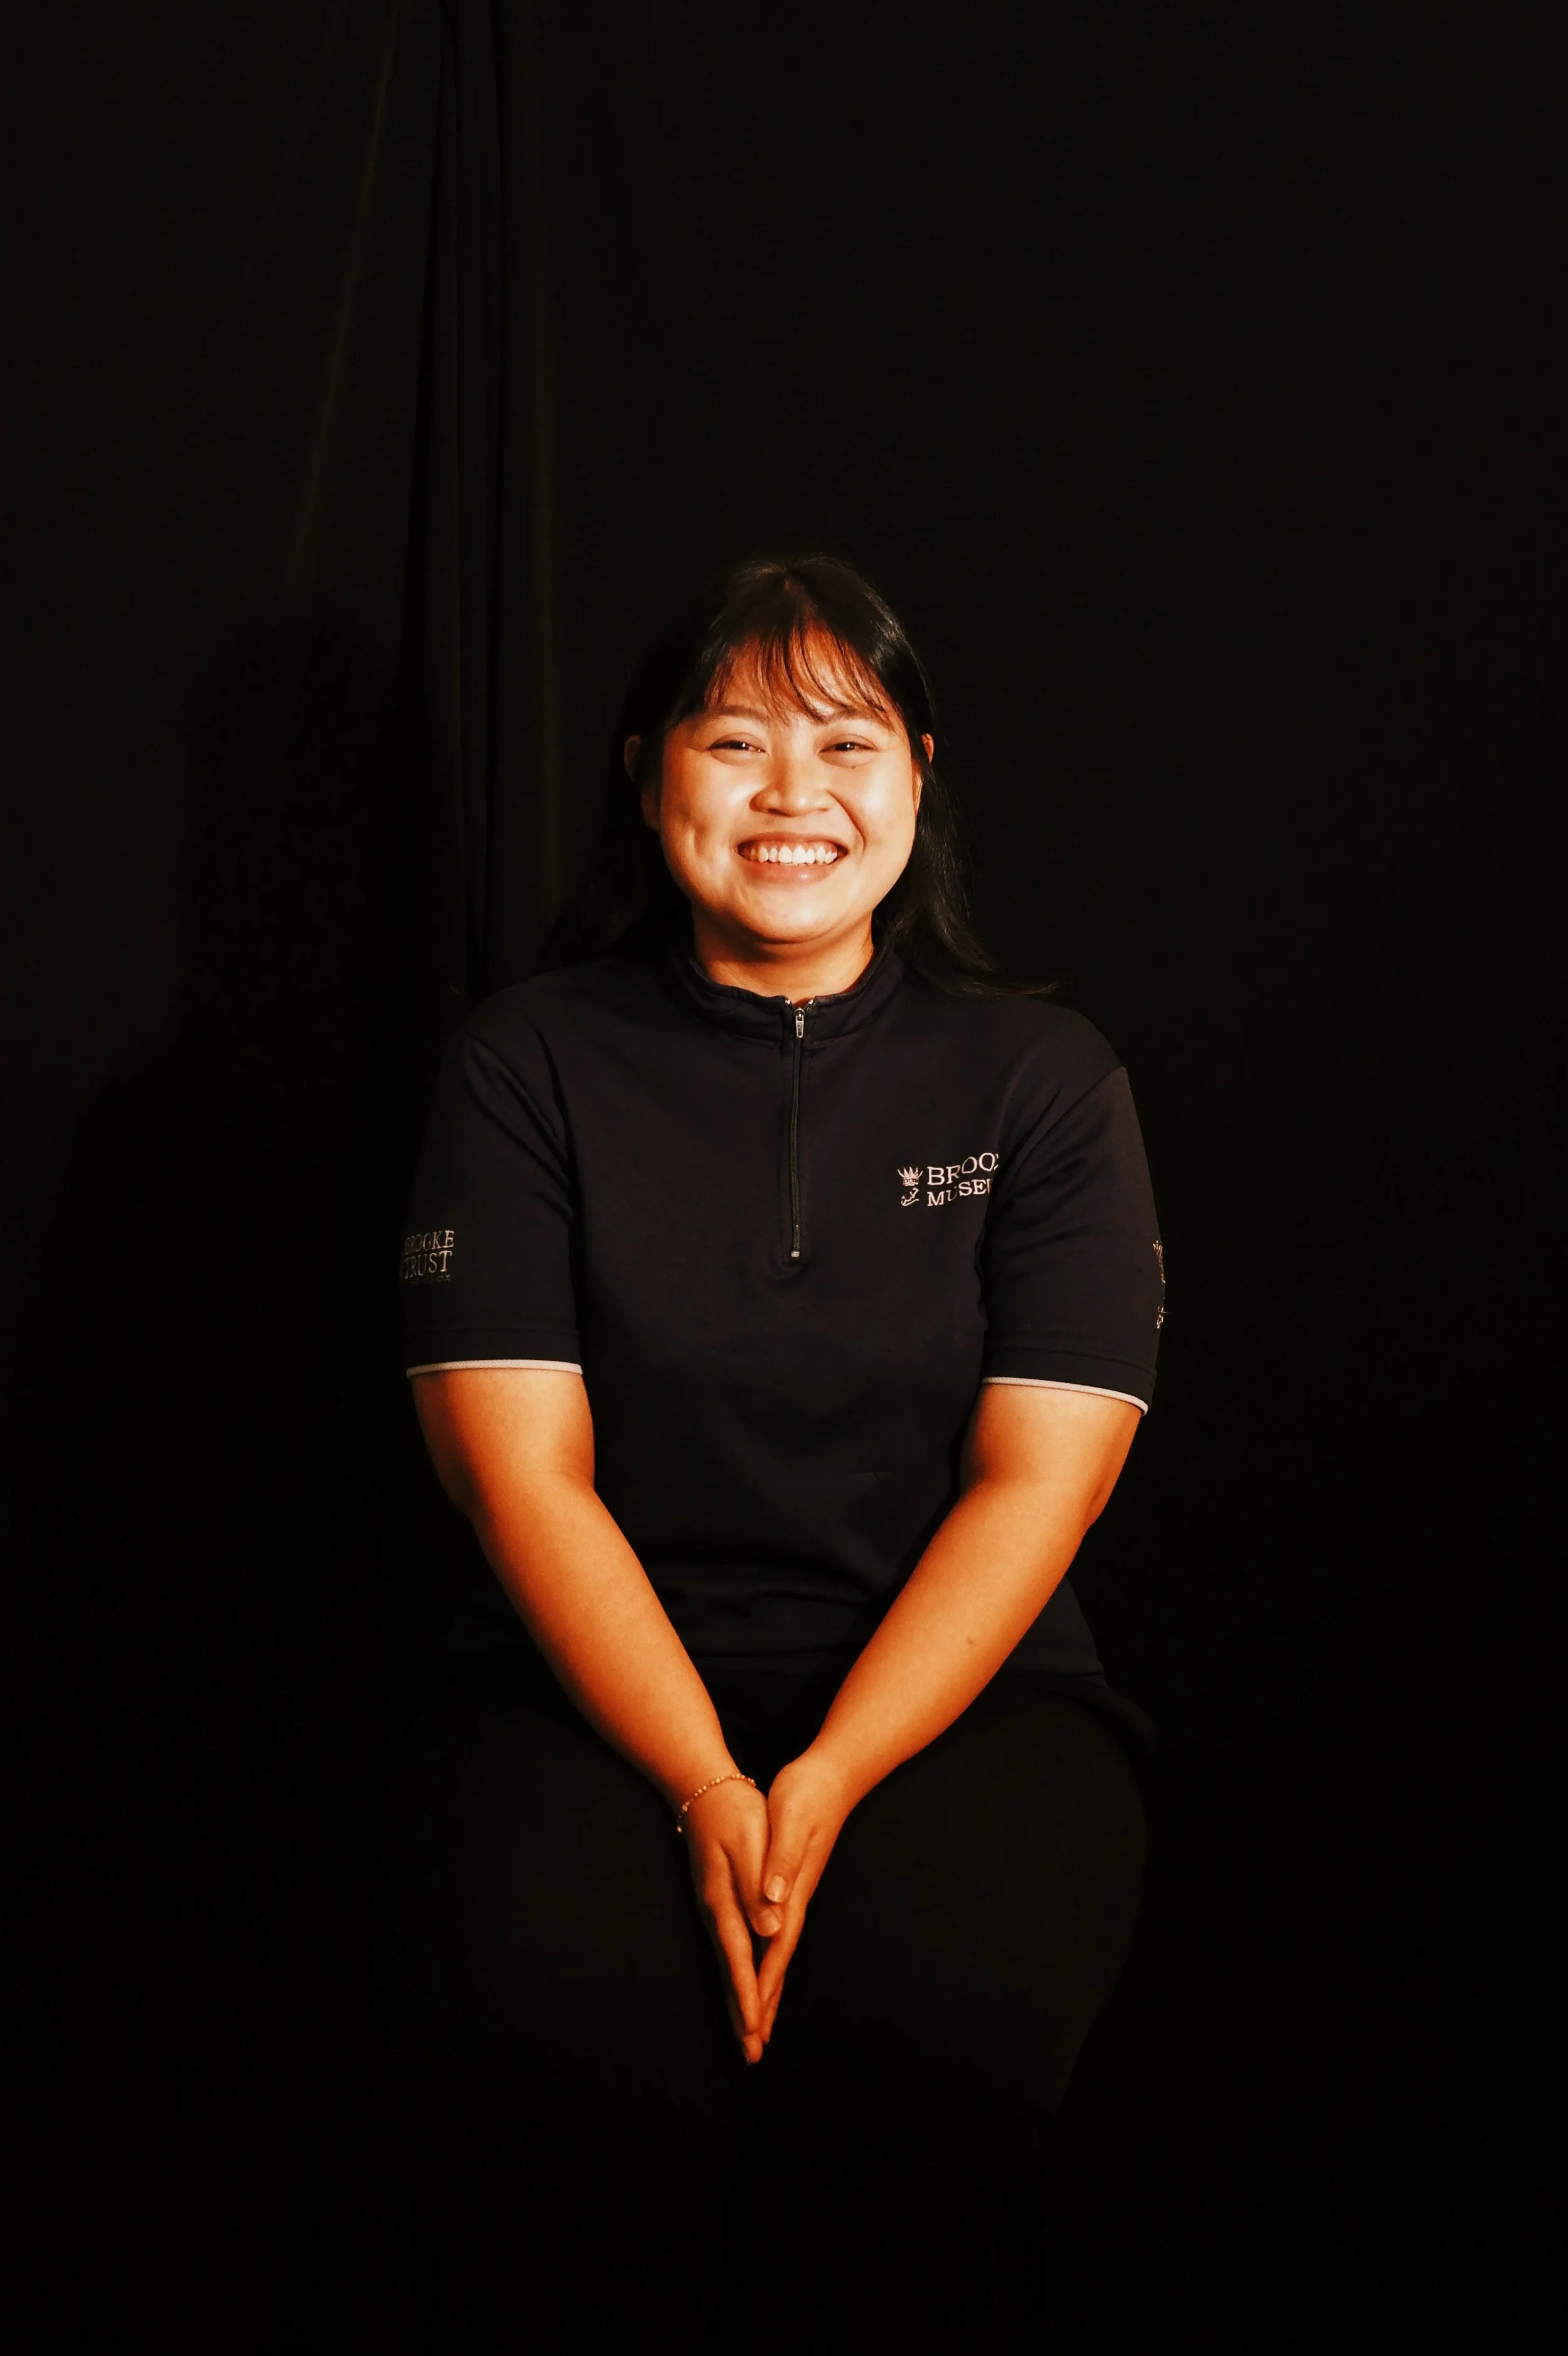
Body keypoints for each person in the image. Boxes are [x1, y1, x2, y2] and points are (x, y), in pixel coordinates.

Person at [390, 557, 1164, 2352]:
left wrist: (816, 1779)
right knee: (572, 2073)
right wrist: (705, 1779)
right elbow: (520, 1478)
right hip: (574, 1693)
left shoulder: (1042, 1081)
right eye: (735, 739)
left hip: (961, 1700)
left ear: (916, 778)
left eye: (844, 739)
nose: (790, 791)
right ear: (650, 768)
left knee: (929, 2067)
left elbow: (1035, 1482)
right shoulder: (523, 1065)